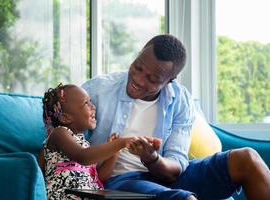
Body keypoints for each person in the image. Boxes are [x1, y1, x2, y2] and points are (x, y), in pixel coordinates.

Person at [82, 34, 270, 200]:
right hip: (119, 181)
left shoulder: (180, 99)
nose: (139, 79)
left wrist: (151, 158)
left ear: (169, 81)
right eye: (138, 67)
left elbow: (176, 167)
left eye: (152, 79)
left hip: (164, 175)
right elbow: (66, 137)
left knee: (247, 159)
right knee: (183, 198)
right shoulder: (97, 90)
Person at [41, 83, 145, 199]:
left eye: (90, 101)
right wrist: (121, 143)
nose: (93, 106)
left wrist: (114, 153)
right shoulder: (59, 134)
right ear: (65, 117)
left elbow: (99, 178)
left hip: (87, 194)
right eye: (86, 103)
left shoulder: (83, 142)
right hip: (64, 195)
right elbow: (83, 157)